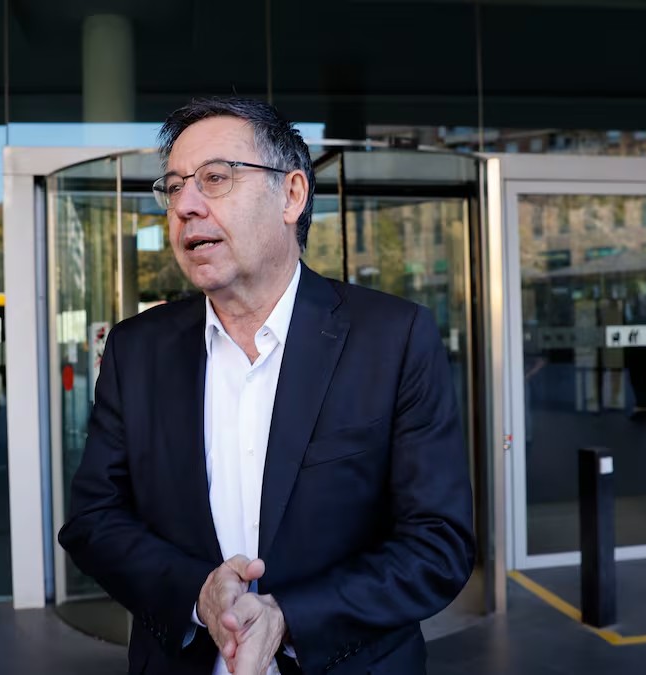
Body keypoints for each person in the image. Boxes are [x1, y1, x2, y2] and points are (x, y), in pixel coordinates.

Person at [58, 97, 474, 675]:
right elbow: (93, 520)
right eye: (174, 187)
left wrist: (289, 617)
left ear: (292, 194)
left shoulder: (393, 337)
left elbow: (437, 545)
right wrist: (197, 595)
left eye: (215, 178)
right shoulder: (137, 349)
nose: (186, 206)